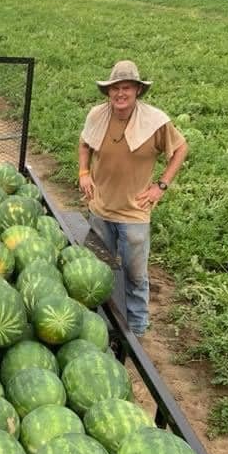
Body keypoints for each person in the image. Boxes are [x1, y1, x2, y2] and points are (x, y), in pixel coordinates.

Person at [78, 60, 188, 338]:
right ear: (108, 92)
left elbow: (180, 148)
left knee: (135, 275)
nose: (120, 94)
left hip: (134, 214)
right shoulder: (97, 115)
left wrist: (161, 186)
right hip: (101, 208)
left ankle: (136, 330)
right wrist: (83, 172)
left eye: (126, 87)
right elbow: (84, 143)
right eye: (115, 88)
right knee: (97, 272)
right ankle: (98, 324)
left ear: (137, 90)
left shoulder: (154, 122)